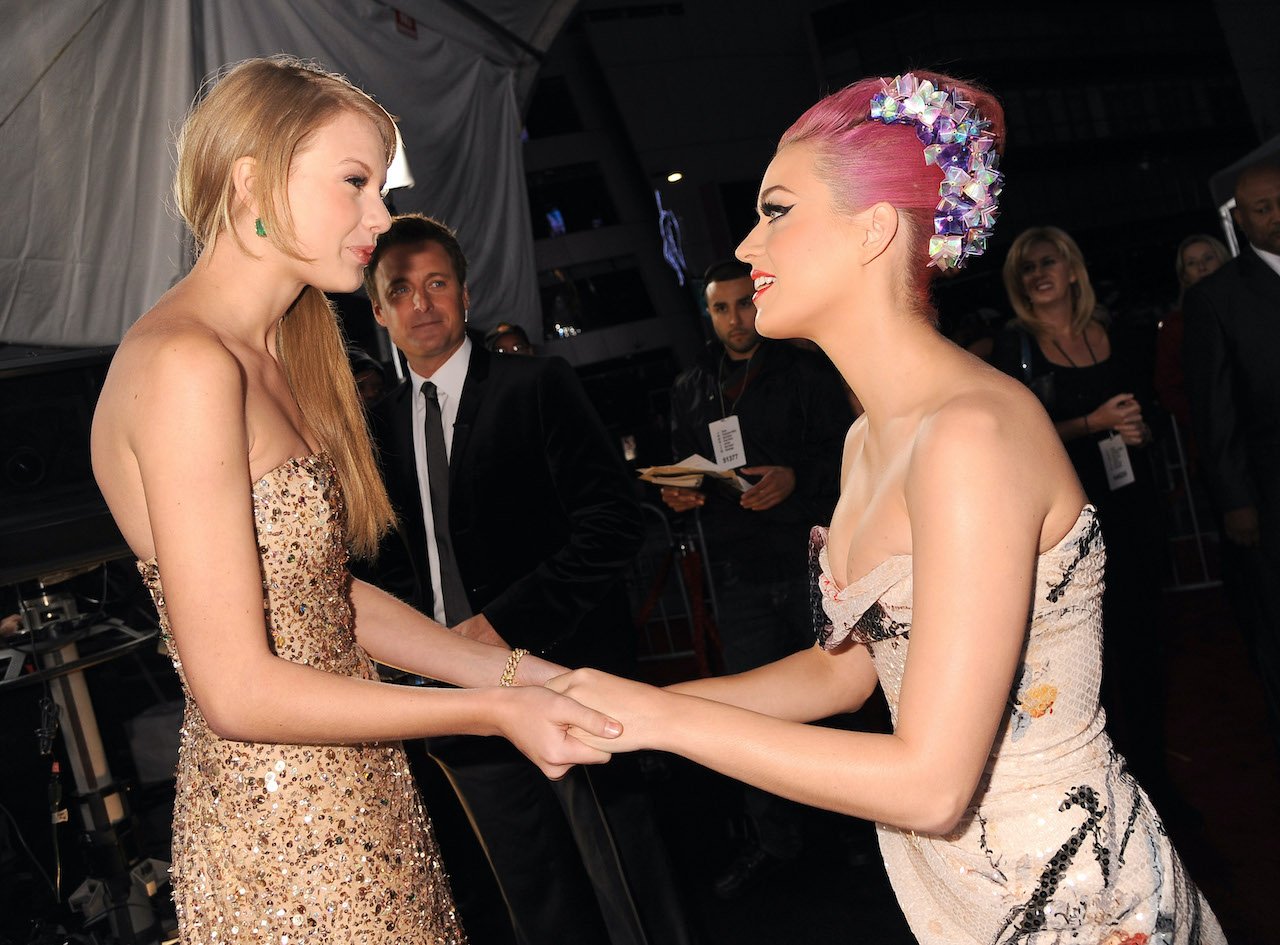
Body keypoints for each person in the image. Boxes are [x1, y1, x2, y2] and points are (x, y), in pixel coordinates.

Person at [549, 71, 1224, 943]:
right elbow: (848, 669)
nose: (748, 244)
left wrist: (662, 719)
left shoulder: (970, 434)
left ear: (874, 231)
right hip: (956, 889)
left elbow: (931, 782)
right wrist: (630, 702)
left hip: (1067, 897)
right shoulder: (868, 439)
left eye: (777, 210)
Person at [88, 57, 619, 944]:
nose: (381, 217)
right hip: (287, 837)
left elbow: (322, 597)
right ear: (253, 177)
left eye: (381, 184)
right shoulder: (185, 366)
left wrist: (526, 674)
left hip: (360, 799)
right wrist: (494, 708)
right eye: (355, 182)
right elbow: (237, 691)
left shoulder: (271, 353)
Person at [358, 213, 696, 945]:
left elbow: (615, 521)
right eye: (402, 289)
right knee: (534, 897)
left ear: (467, 295)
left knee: (626, 875)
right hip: (454, 699)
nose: (422, 303)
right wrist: (422, 655)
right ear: (379, 310)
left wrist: (501, 625)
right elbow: (383, 564)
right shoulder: (373, 427)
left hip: (564, 670)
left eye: (437, 283)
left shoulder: (536, 383)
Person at [661, 258, 851, 896]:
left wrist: (795, 476)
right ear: (709, 314)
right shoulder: (692, 387)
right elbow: (684, 469)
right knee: (751, 709)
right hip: (736, 566)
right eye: (722, 308)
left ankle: (864, 831)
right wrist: (681, 493)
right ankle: (777, 843)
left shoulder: (805, 370)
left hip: (812, 559)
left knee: (841, 696)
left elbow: (849, 450)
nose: (736, 319)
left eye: (745, 303)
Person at [991, 226, 1172, 796]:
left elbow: (1152, 409)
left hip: (1132, 506)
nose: (1037, 274)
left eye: (1047, 262)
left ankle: (1152, 776)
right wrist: (1092, 424)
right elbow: (1016, 437)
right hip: (1065, 523)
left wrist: (1138, 431)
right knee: (1084, 657)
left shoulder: (1110, 334)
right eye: (1025, 268)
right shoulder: (1013, 348)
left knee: (1144, 642)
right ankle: (1099, 785)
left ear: (1073, 270)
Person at [1184, 161, 1280, 758]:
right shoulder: (1217, 297)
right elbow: (1213, 409)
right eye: (1263, 208)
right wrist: (1236, 500)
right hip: (1268, 487)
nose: (1277, 216)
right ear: (1240, 221)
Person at [1154, 234, 1230, 436]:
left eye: (1208, 258)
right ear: (1184, 274)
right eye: (1192, 263)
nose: (1202, 267)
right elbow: (1169, 386)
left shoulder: (1250, 307)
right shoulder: (1175, 327)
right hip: (1214, 430)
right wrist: (1206, 418)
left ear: (1223, 259)